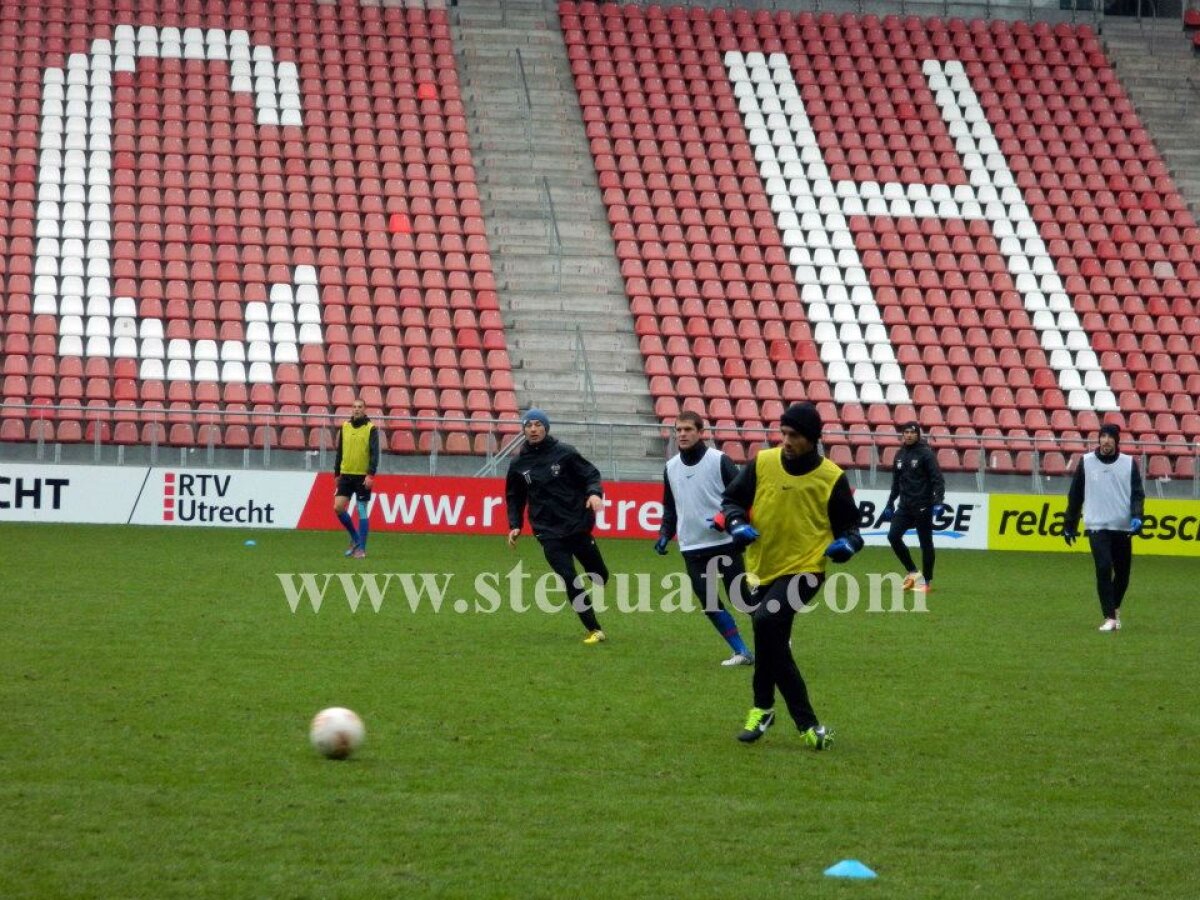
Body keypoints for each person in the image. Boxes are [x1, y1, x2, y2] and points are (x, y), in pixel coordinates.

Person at [719, 402, 863, 748]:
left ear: (813, 438)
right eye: (783, 433)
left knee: (766, 624)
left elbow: (851, 528)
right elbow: (731, 501)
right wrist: (737, 524)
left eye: (794, 435)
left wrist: (847, 546)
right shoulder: (763, 463)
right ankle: (765, 710)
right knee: (770, 639)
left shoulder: (831, 477)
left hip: (806, 570)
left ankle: (803, 722)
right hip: (762, 567)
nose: (785, 440)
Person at [655, 411, 753, 667]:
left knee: (741, 599)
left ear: (701, 432)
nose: (683, 434)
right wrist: (665, 533)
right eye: (679, 430)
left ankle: (776, 633)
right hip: (692, 546)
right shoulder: (671, 467)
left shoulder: (719, 460)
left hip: (724, 543)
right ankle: (741, 651)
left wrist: (726, 517)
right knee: (710, 603)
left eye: (688, 429)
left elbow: (744, 496)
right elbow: (670, 507)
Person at [506, 409, 610, 644]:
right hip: (547, 531)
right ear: (523, 429)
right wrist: (515, 524)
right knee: (568, 577)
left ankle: (599, 575)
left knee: (600, 576)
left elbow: (591, 475)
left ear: (546, 428)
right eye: (528, 425)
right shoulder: (518, 463)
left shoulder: (565, 453)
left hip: (576, 525)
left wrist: (594, 494)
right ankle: (594, 629)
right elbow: (514, 497)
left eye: (537, 425)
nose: (533, 429)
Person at [1063, 423, 1145, 632]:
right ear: (1098, 439)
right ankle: (1109, 617)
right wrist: (1070, 523)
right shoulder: (1087, 462)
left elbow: (1137, 493)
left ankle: (1115, 608)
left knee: (1123, 574)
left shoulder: (1128, 463)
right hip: (1097, 525)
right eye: (1103, 436)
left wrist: (1137, 515)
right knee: (1103, 567)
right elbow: (1075, 495)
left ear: (1117, 440)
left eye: (1110, 437)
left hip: (1122, 526)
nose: (1106, 440)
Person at [880, 421, 946, 592]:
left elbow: (937, 479)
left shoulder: (926, 454)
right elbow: (896, 483)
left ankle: (927, 582)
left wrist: (938, 502)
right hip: (904, 507)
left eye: (912, 432)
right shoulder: (899, 455)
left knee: (925, 543)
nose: (909, 435)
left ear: (918, 434)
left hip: (923, 505)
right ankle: (913, 572)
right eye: (906, 432)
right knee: (893, 536)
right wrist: (889, 503)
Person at [333, 397, 379, 559]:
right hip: (346, 474)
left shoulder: (371, 428)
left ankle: (361, 549)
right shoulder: (345, 427)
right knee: (338, 507)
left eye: (360, 407)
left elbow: (374, 454)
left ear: (364, 409)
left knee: (361, 510)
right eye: (354, 407)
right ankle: (355, 537)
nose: (357, 409)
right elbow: (339, 451)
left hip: (362, 476)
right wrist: (336, 473)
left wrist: (370, 474)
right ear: (351, 409)